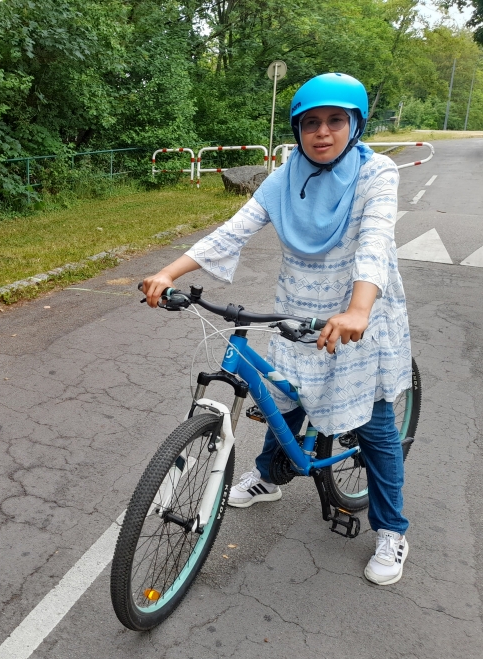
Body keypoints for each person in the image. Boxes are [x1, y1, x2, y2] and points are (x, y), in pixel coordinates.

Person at [142, 73, 412, 585]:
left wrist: (357, 310)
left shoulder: (377, 172)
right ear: (297, 130)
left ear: (355, 125)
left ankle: (392, 530)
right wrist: (168, 272)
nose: (322, 132)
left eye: (336, 121)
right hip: (297, 308)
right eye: (310, 123)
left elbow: (375, 243)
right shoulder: (286, 176)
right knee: (285, 396)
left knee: (374, 424)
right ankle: (270, 477)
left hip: (358, 310)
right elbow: (235, 229)